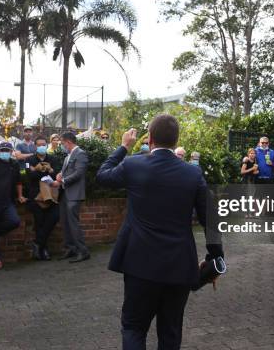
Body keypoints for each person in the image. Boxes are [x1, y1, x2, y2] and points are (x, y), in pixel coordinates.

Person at [96, 114, 224, 350]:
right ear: (176, 140)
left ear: (150, 138)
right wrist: (216, 258)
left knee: (134, 328)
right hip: (179, 266)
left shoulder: (134, 164)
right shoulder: (193, 174)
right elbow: (210, 221)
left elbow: (102, 175)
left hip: (139, 264)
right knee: (171, 332)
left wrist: (124, 146)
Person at [53, 131, 90, 263]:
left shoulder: (81, 154)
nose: (62, 145)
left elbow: (79, 173)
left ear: (68, 142)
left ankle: (83, 251)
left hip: (74, 194)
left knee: (73, 224)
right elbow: (67, 172)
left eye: (62, 143)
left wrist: (62, 181)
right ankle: (70, 248)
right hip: (65, 194)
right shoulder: (67, 156)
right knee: (65, 222)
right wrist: (59, 174)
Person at [25, 136, 61, 261]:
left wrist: (46, 169)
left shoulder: (54, 159)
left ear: (46, 145)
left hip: (51, 195)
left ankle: (38, 243)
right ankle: (43, 249)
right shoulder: (28, 160)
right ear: (35, 146)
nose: (41, 147)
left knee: (55, 217)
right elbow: (30, 175)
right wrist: (42, 170)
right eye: (39, 144)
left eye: (43, 144)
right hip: (36, 196)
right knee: (39, 222)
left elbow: (57, 174)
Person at [255, 137, 274, 216]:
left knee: (267, 197)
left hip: (269, 177)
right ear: (259, 142)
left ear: (268, 143)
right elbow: (249, 158)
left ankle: (263, 214)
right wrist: (245, 159)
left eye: (266, 143)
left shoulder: (272, 152)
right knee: (257, 196)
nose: (264, 144)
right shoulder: (255, 151)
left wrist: (272, 164)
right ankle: (257, 213)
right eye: (262, 142)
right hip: (258, 176)